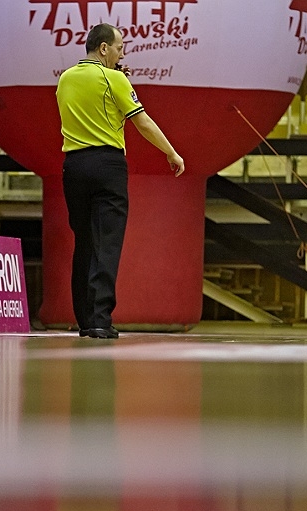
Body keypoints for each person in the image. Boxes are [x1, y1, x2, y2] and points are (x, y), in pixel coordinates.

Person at [56, 23, 184, 339]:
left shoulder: (65, 78)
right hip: (107, 165)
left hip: (73, 166)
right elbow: (143, 122)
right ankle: (100, 320)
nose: (122, 54)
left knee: (84, 243)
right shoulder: (115, 79)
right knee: (107, 244)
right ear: (103, 48)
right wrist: (171, 152)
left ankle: (85, 319)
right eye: (119, 47)